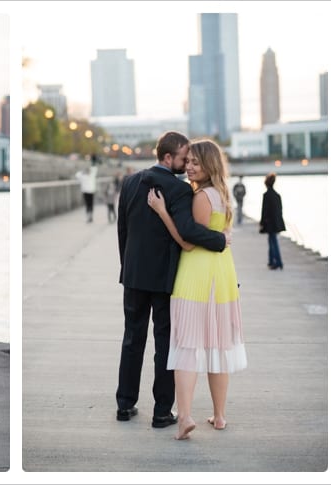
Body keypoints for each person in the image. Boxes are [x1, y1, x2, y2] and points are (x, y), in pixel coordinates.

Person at [116, 131, 228, 429]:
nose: (186, 163)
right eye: (183, 157)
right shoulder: (179, 190)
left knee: (132, 339)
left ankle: (125, 405)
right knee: (165, 345)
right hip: (165, 278)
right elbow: (189, 231)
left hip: (134, 275)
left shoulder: (129, 183)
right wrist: (220, 239)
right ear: (168, 157)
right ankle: (162, 412)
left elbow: (122, 231)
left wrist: (126, 267)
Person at [147, 139, 247, 440]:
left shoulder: (202, 197)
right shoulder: (224, 194)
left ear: (209, 165)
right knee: (218, 345)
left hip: (197, 276)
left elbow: (190, 241)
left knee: (187, 346)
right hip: (223, 275)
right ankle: (218, 416)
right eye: (187, 161)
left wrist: (163, 211)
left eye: (195, 163)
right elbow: (218, 235)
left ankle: (185, 418)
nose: (188, 167)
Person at [259, 172, 286, 270]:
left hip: (269, 223)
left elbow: (264, 211)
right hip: (276, 222)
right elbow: (280, 210)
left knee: (273, 242)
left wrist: (262, 223)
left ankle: (278, 262)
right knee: (272, 241)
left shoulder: (266, 195)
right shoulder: (277, 195)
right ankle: (271, 261)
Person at [75, 156, 98, 223]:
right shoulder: (83, 175)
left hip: (90, 191)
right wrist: (83, 171)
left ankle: (90, 215)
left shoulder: (91, 175)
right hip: (86, 191)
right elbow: (77, 175)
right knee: (88, 204)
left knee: (90, 204)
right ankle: (89, 215)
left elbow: (94, 168)